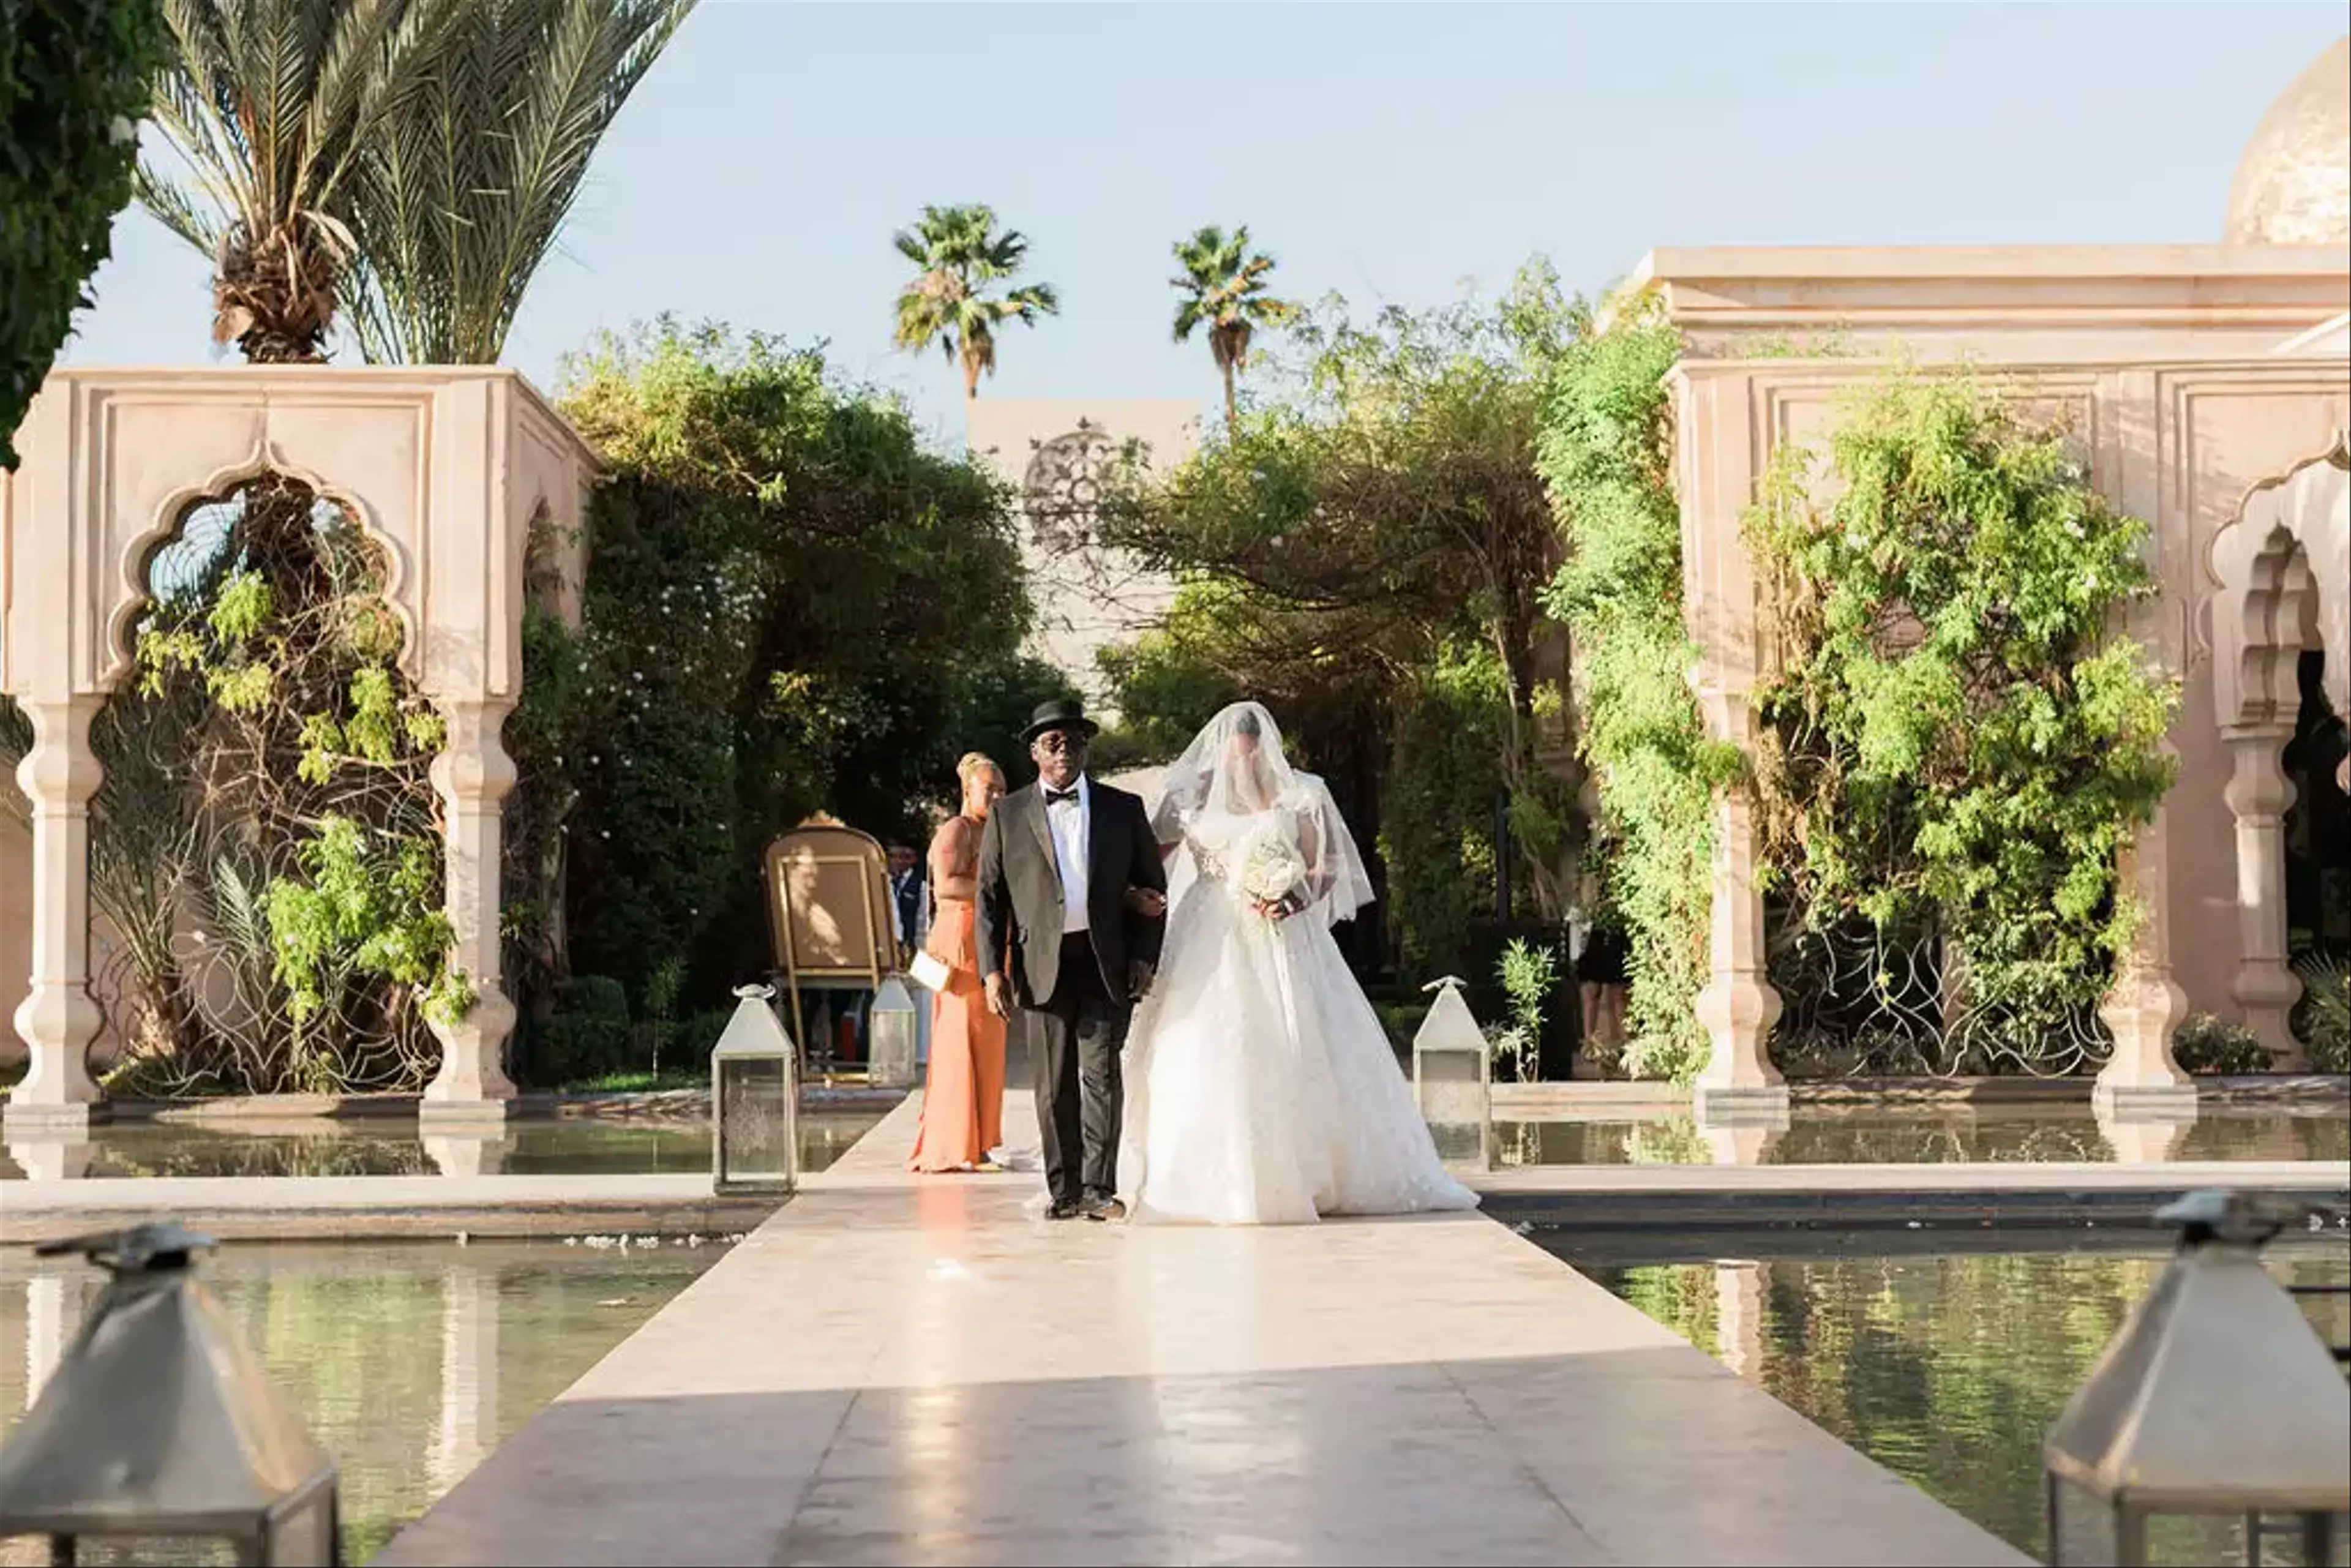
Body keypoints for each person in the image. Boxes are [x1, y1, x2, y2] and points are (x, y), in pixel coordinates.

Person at [1120, 702, 1480, 1226]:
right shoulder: (1191, 794)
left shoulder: (1302, 792)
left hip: (1287, 933)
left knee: (1299, 1039)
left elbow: (1327, 864)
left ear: (1266, 747)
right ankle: (1191, 1174)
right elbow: (1151, 857)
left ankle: (1312, 1171)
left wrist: (1294, 896)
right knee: (1200, 1042)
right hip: (1210, 929)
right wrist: (1134, 900)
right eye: (1234, 753)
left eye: (1251, 752)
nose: (1241, 763)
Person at [975, 698, 1168, 1221]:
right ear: (1036, 752)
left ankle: (1100, 1190)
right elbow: (989, 901)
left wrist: (1146, 957)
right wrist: (992, 971)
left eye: (1075, 741)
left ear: (1087, 749)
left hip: (1106, 961)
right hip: (1041, 964)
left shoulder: (1122, 808)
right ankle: (1064, 1192)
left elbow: (1153, 887)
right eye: (1053, 742)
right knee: (1053, 1084)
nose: (1065, 750)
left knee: (1102, 1076)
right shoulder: (1007, 814)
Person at [907, 756, 1011, 1174]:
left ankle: (980, 1142)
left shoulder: (995, 829)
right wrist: (999, 892)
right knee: (961, 1038)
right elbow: (948, 885)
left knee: (988, 1040)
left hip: (988, 936)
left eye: (1003, 789)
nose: (998, 796)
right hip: (961, 943)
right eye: (990, 789)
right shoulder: (956, 829)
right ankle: (953, 1143)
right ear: (968, 790)